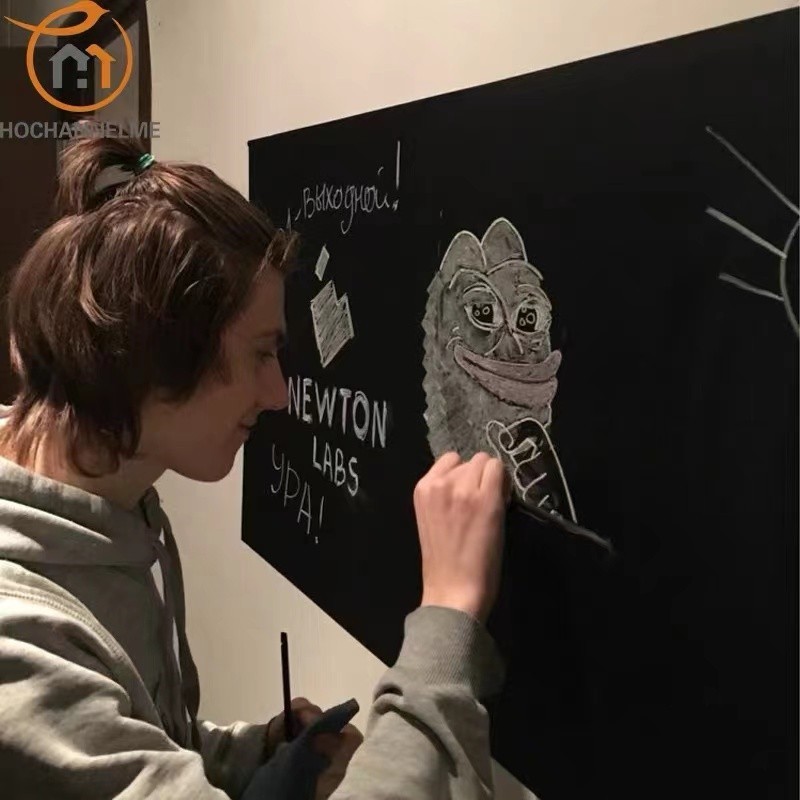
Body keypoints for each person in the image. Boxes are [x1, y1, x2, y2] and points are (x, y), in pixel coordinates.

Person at [0, 137, 508, 799]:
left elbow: (141, 734)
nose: (279, 394)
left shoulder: (113, 507)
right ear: (154, 356)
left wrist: (247, 757)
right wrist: (447, 619)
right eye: (262, 353)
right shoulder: (21, 649)